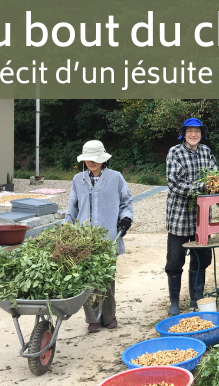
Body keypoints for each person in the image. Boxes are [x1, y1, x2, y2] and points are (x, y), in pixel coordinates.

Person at [65, 140, 133, 333]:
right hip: (84, 238)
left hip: (108, 237)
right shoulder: (78, 179)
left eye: (95, 158)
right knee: (88, 279)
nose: (91, 162)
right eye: (88, 159)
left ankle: (109, 316)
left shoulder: (115, 178)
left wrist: (126, 220)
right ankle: (93, 318)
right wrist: (67, 228)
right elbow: (72, 207)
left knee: (107, 278)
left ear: (103, 159)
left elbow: (126, 201)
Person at [165, 118, 217, 316]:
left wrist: (215, 183)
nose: (194, 134)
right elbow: (175, 183)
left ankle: (196, 298)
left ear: (202, 134)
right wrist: (202, 187)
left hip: (201, 217)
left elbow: (214, 174)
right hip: (179, 216)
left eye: (197, 131)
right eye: (190, 131)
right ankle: (174, 301)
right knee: (175, 260)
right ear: (184, 134)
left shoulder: (206, 151)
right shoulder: (175, 152)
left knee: (201, 258)